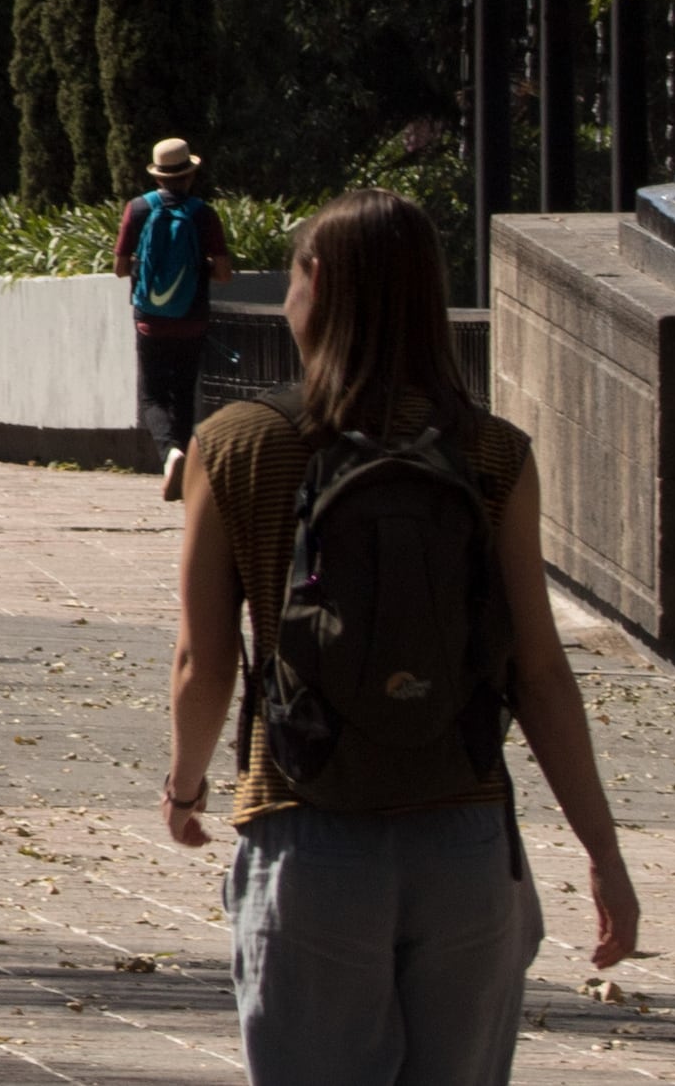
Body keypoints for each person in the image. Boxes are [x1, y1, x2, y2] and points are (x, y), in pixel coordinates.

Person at [163, 189, 636, 1083]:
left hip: (308, 832)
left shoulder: (236, 443)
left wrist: (184, 788)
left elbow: (204, 661)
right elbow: (537, 668)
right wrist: (602, 854)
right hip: (465, 836)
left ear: (313, 281)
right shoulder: (493, 452)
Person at [121, 137, 229, 483]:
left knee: (152, 395)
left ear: (157, 177)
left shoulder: (137, 209)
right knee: (184, 392)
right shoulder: (203, 214)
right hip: (192, 318)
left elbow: (121, 267)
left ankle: (170, 454)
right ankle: (181, 473)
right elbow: (224, 273)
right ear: (190, 175)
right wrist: (200, 268)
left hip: (150, 321)